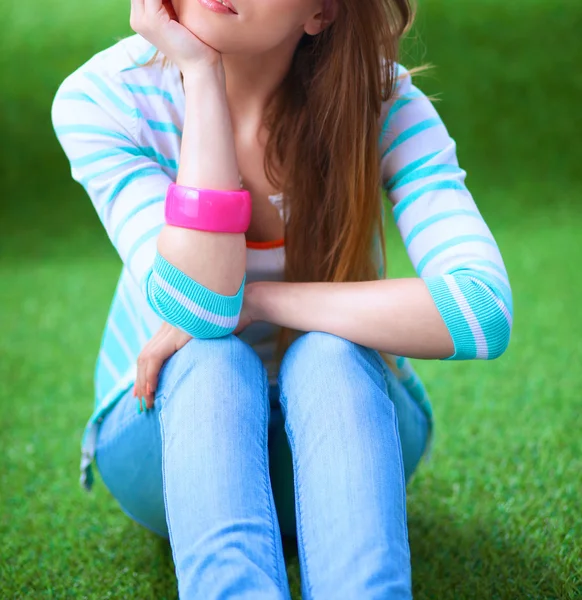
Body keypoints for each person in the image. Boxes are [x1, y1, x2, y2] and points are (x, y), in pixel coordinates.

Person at [51, 0, 513, 597]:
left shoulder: (378, 101)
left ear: (321, 12)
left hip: (346, 436)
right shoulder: (105, 98)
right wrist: (201, 74)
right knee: (210, 357)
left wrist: (264, 300)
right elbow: (200, 309)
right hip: (165, 446)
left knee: (331, 353)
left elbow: (482, 312)